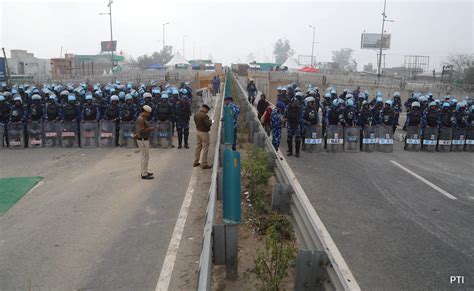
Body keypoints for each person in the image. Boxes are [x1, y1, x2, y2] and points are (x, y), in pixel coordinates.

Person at [135, 105, 155, 180]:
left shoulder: (142, 118)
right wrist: (151, 129)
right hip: (142, 139)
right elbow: (141, 130)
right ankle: (144, 173)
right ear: (144, 111)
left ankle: (145, 171)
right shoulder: (141, 119)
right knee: (145, 157)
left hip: (142, 139)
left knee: (145, 156)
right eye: (148, 113)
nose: (148, 115)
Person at [193, 104, 213, 169]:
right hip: (204, 132)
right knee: (205, 147)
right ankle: (204, 163)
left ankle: (196, 161)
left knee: (198, 147)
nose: (207, 111)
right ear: (205, 109)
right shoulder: (205, 116)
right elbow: (207, 125)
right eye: (207, 110)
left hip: (198, 131)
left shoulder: (196, 114)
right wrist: (211, 122)